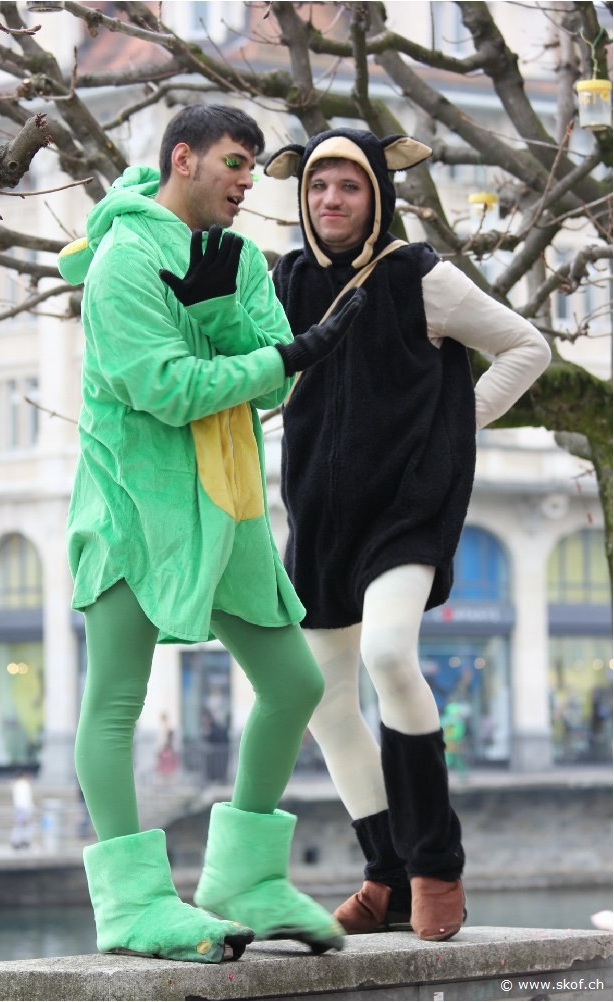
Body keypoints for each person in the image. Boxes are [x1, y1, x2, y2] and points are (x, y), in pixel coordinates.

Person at [57, 106, 366, 964]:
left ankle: (243, 882)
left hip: (227, 505)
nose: (247, 179)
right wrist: (279, 355)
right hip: (135, 506)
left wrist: (233, 317)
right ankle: (132, 907)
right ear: (183, 158)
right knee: (115, 700)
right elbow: (168, 386)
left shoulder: (233, 256)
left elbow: (268, 381)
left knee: (293, 683)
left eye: (253, 165)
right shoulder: (122, 261)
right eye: (235, 161)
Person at [265, 128, 551, 942]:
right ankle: (386, 876)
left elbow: (526, 347)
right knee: (321, 698)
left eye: (348, 185)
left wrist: (451, 428)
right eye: (317, 185)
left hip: (405, 511)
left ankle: (435, 866)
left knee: (389, 654)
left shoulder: (419, 275)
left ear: (378, 195)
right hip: (318, 516)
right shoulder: (283, 281)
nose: (330, 199)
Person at [10, 771, 34, 850]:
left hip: (18, 808)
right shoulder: (24, 784)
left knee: (19, 825)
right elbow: (26, 798)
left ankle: (17, 841)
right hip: (24, 808)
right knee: (25, 825)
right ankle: (24, 841)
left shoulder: (16, 784)